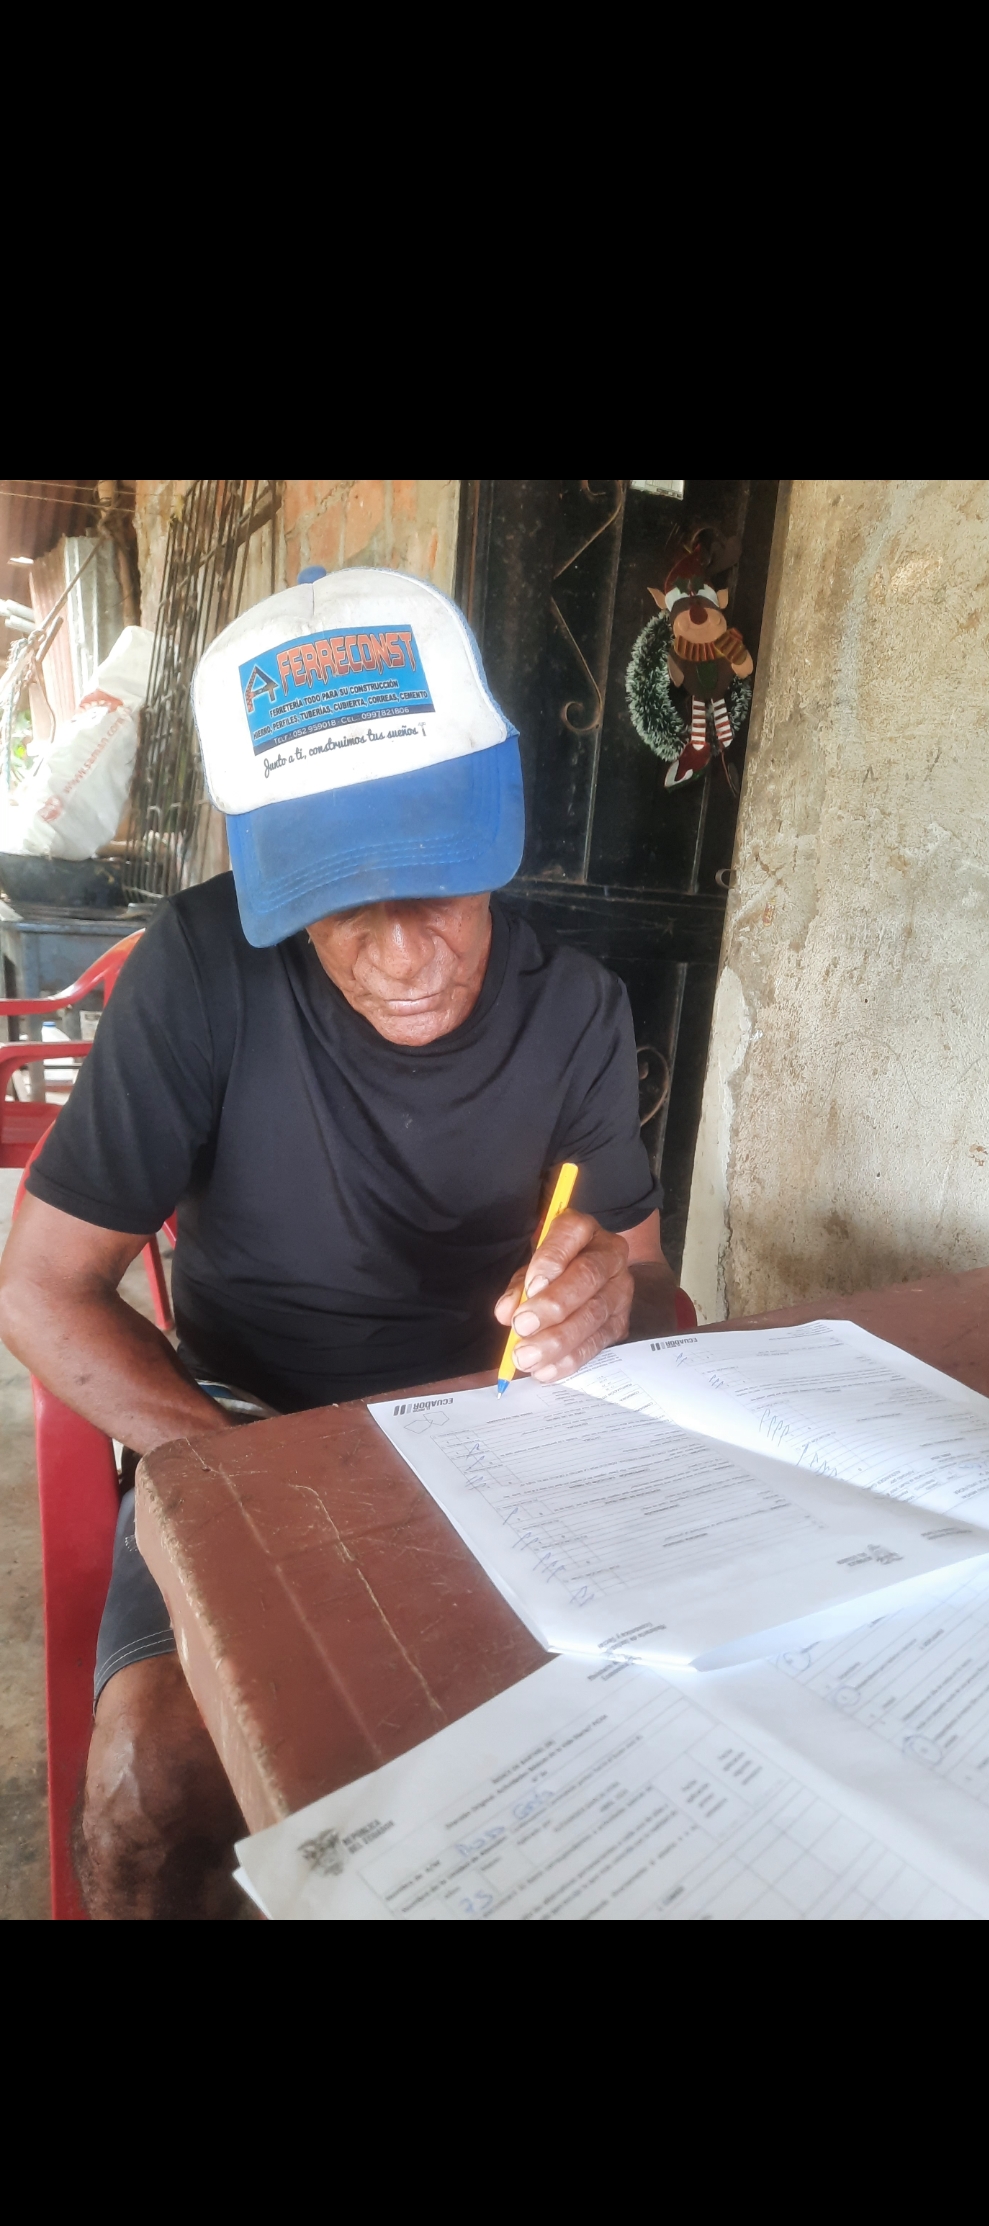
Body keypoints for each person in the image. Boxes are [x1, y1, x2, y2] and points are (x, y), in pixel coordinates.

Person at [0, 565, 678, 1919]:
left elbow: (656, 1289)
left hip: (497, 1433)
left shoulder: (578, 1011)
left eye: (440, 883)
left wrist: (610, 1299)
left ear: (497, 832)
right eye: (341, 900)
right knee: (152, 1788)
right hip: (241, 1423)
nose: (406, 953)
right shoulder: (200, 970)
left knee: (633, 1743)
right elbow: (40, 1289)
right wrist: (250, 1476)